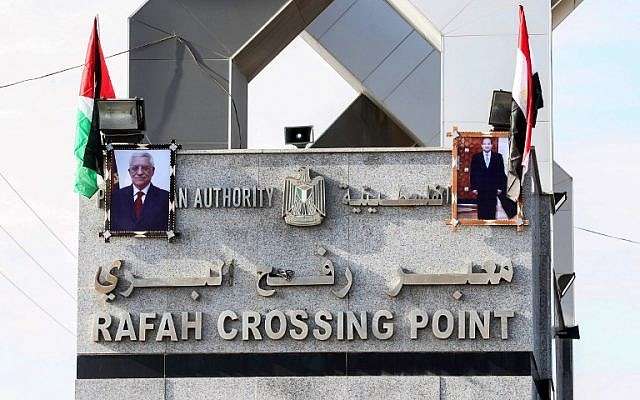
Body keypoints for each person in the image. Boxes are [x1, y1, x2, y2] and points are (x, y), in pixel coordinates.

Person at [110, 152, 169, 231]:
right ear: (129, 171)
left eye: (145, 168)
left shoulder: (165, 197)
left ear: (153, 171)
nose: (140, 172)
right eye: (135, 168)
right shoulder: (115, 197)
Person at [470, 138, 507, 220]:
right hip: (480, 189)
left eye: (488, 144)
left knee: (492, 210)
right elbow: (473, 173)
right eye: (485, 144)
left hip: (493, 189)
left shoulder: (498, 157)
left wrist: (500, 188)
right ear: (482, 145)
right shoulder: (476, 157)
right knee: (481, 210)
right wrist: (474, 188)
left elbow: (501, 173)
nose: (487, 146)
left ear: (491, 145)